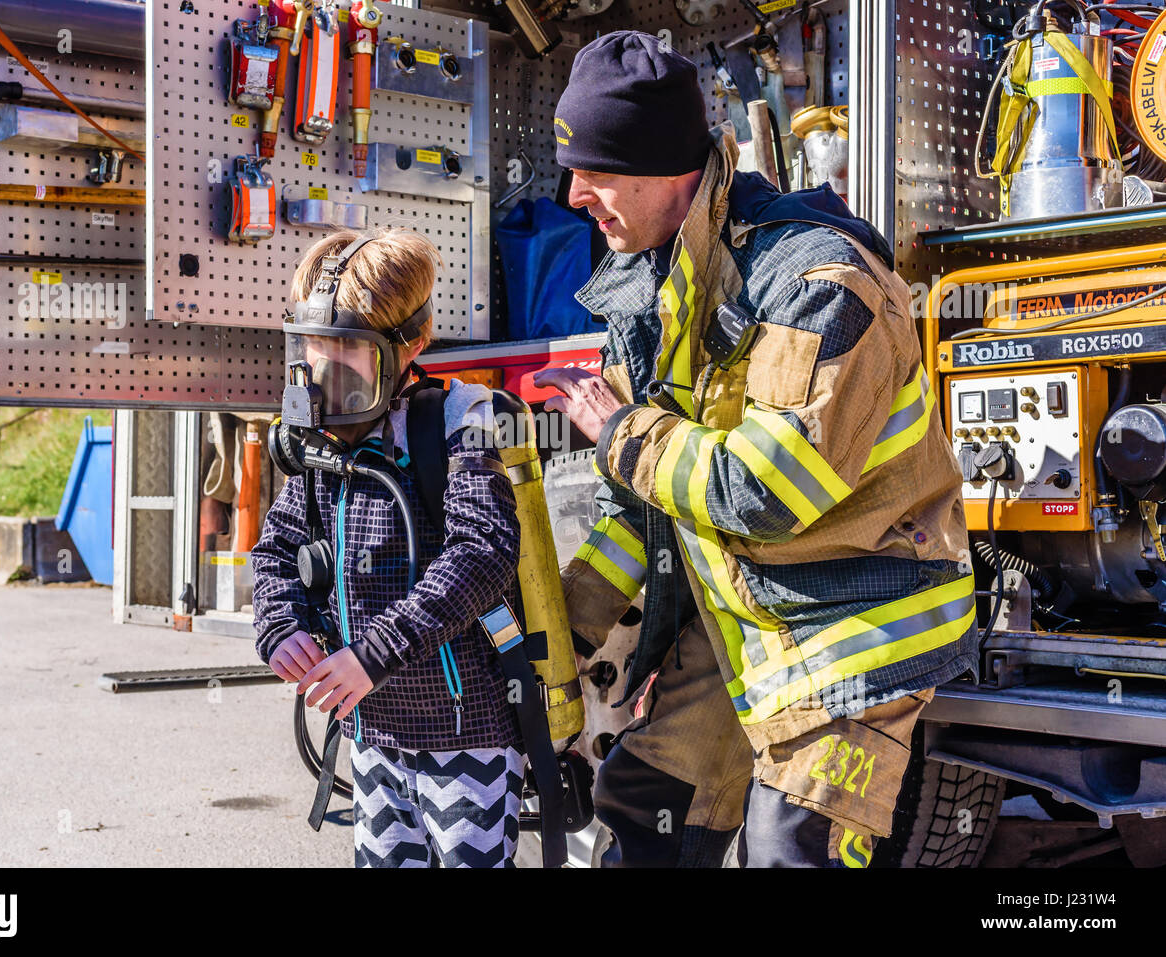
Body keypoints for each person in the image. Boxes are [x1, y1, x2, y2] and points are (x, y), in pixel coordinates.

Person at [536, 31, 977, 868]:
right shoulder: (654, 284)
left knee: (791, 849)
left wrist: (623, 433)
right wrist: (556, 632)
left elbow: (764, 493)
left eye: (594, 169)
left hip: (854, 628)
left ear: (665, 166)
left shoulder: (817, 283)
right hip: (754, 619)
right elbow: (646, 508)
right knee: (646, 805)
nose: (573, 195)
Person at [252, 228, 526, 868]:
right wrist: (278, 624)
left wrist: (374, 654)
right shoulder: (322, 445)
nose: (324, 368)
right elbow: (275, 552)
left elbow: (483, 551)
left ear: (412, 346)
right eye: (314, 345)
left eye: (348, 348)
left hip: (465, 736)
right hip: (372, 736)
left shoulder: (459, 421)